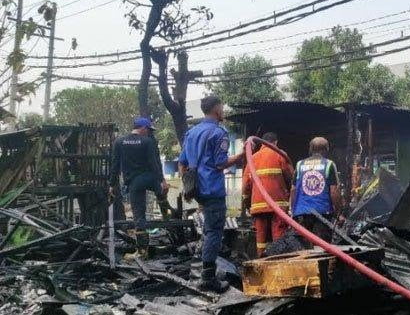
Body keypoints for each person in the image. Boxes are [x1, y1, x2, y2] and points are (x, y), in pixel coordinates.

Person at [178, 95, 243, 293]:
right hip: (212, 189)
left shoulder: (191, 133)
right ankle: (208, 278)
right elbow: (220, 163)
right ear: (216, 110)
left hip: (198, 190)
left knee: (208, 229)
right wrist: (240, 156)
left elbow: (182, 163)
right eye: (222, 108)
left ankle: (206, 270)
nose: (223, 112)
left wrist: (188, 186)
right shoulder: (218, 133)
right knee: (214, 231)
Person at [109, 117, 169, 259]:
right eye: (148, 130)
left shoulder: (119, 142)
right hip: (151, 178)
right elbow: (154, 163)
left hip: (135, 181)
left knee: (139, 216)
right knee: (161, 193)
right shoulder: (148, 141)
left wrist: (112, 184)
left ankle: (142, 252)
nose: (149, 133)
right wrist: (162, 181)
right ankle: (166, 214)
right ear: (142, 128)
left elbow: (115, 165)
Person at [242, 132, 294, 257]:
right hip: (278, 206)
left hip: (258, 206)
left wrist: (248, 204)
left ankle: (261, 264)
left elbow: (245, 186)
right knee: (278, 238)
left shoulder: (253, 158)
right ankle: (278, 262)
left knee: (260, 240)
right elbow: (291, 178)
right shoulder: (280, 155)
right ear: (275, 142)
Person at [290, 137, 344, 242]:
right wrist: (338, 213)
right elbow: (334, 192)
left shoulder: (299, 164)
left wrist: (293, 211)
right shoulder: (329, 164)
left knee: (303, 247)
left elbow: (293, 190)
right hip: (322, 213)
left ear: (310, 149)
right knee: (321, 249)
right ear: (326, 149)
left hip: (301, 214)